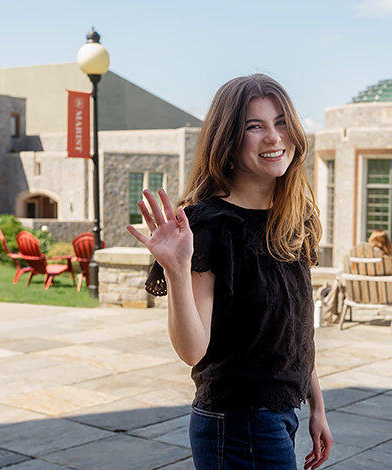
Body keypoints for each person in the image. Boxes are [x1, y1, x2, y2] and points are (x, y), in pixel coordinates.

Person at [127, 74, 333, 470]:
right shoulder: (207, 226)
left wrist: (317, 408)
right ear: (227, 140)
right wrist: (175, 269)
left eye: (281, 122)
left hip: (280, 415)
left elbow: (294, 330)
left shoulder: (293, 220)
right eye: (254, 126)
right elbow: (193, 351)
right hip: (237, 420)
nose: (273, 137)